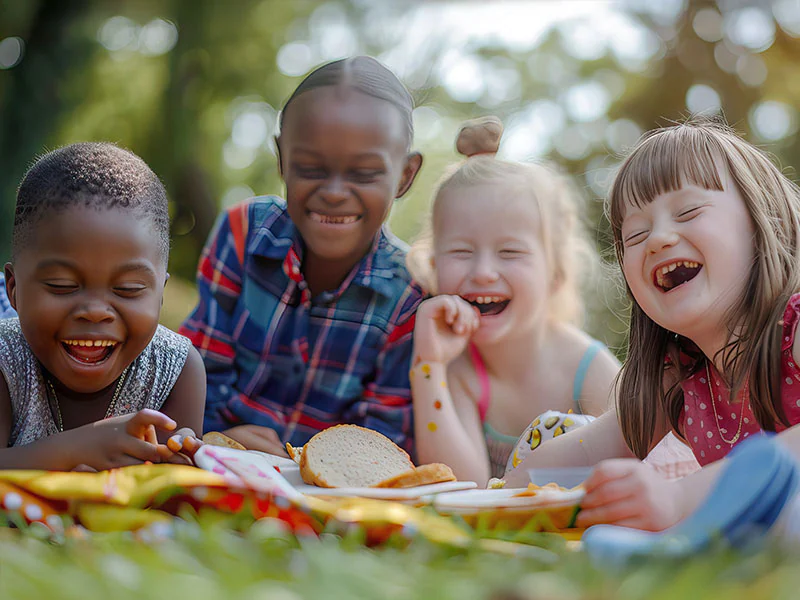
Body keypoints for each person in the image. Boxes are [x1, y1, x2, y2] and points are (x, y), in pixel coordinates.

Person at [505, 118, 800, 531]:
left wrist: (680, 497)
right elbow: (584, 456)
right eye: (636, 234)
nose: (659, 238)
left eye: (689, 211)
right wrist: (503, 493)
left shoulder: (795, 328)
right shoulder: (678, 376)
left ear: (760, 221)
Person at [180, 56, 424, 455]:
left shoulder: (411, 292)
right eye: (310, 168)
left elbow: (386, 433)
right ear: (282, 159)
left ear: (405, 175)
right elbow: (195, 368)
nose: (333, 191)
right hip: (214, 456)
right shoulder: (244, 231)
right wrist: (215, 435)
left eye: (363, 174)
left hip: (328, 494)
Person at [408, 118, 620, 485]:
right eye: (461, 251)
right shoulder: (460, 370)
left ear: (555, 273)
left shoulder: (588, 367)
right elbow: (462, 487)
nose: (484, 272)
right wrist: (427, 365)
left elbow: (646, 452)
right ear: (433, 267)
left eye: (509, 252)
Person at [0, 142, 205, 471]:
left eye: (128, 289)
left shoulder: (177, 369)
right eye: (62, 286)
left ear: (159, 293)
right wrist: (76, 449)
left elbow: (175, 493)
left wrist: (178, 461)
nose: (95, 312)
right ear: (14, 289)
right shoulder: (5, 360)